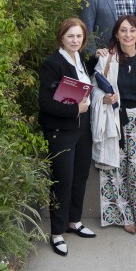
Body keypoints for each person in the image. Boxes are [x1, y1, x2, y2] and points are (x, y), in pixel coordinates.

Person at [91, 15, 136, 235]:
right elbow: (94, 89)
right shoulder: (107, 59)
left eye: (132, 30)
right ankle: (125, 216)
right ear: (116, 34)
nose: (128, 35)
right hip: (116, 120)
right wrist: (104, 99)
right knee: (116, 171)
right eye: (123, 30)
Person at [38, 18, 96, 256]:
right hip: (61, 132)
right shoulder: (52, 64)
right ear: (61, 37)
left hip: (82, 130)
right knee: (62, 180)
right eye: (70, 36)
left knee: (80, 177)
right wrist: (75, 109)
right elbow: (45, 104)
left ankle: (74, 221)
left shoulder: (79, 59)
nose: (75, 40)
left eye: (79, 36)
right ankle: (57, 233)